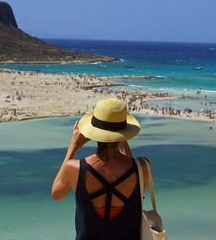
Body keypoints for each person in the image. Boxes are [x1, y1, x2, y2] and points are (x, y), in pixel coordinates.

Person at [52, 98, 148, 240]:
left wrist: (72, 147)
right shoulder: (142, 167)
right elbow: (133, 171)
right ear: (123, 133)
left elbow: (57, 195)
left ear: (94, 131)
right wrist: (122, 139)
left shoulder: (75, 168)